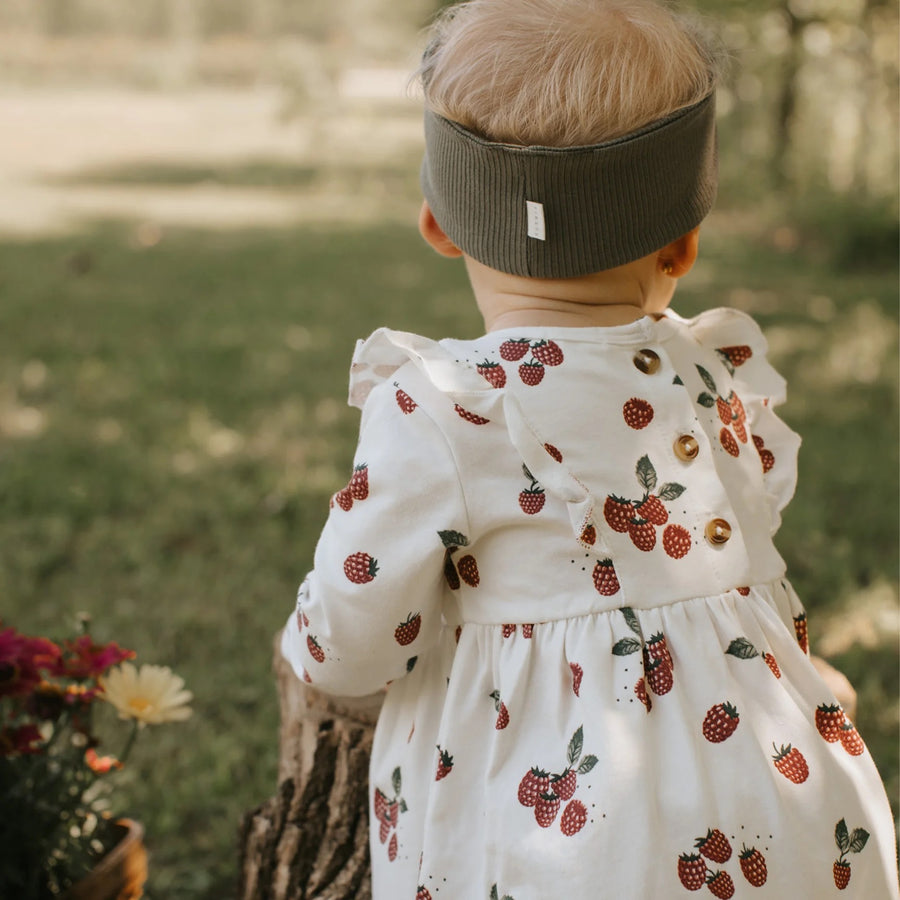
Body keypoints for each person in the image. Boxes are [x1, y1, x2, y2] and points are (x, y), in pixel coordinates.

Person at [281, 1, 900, 896]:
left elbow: (349, 644)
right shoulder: (713, 375)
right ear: (682, 246)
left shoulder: (442, 406)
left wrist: (308, 640)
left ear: (439, 225)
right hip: (767, 782)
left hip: (560, 830)